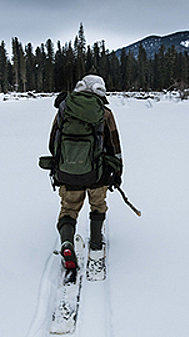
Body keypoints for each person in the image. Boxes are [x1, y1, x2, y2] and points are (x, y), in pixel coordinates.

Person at [48, 74, 122, 270]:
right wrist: (117, 172)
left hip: (67, 173)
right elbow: (114, 146)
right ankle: (96, 242)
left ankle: (67, 243)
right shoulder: (104, 113)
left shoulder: (63, 109)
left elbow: (52, 143)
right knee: (98, 205)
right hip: (98, 174)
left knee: (69, 209)